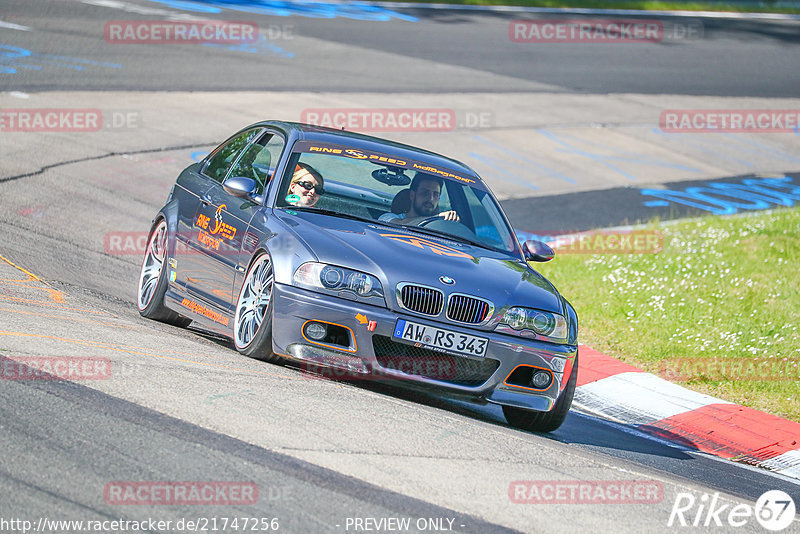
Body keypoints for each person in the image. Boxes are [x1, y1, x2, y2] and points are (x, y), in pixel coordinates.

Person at [379, 173, 458, 223]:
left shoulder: (444, 226)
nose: (431, 199)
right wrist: (437, 217)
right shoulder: (387, 218)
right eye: (425, 193)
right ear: (412, 195)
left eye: (435, 194)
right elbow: (401, 224)